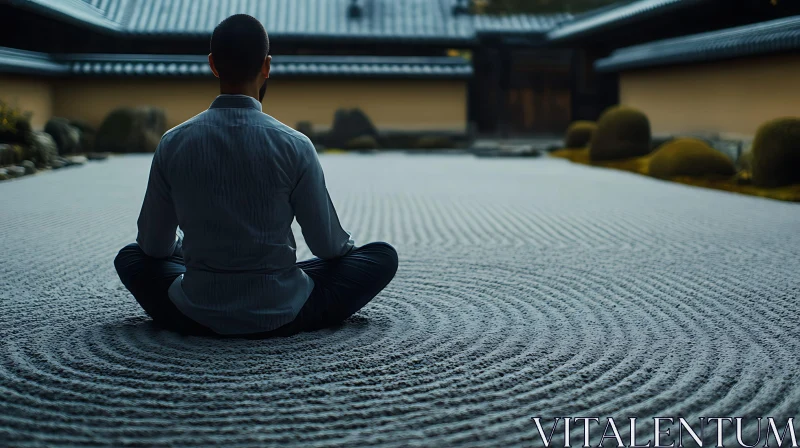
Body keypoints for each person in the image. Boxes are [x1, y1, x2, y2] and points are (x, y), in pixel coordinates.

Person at [114, 14, 398, 338]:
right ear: (266, 66)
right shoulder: (295, 145)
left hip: (194, 308)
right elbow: (328, 246)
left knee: (131, 257)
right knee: (381, 256)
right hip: (281, 307)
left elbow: (153, 246)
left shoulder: (173, 142)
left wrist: (187, 251)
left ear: (213, 65)